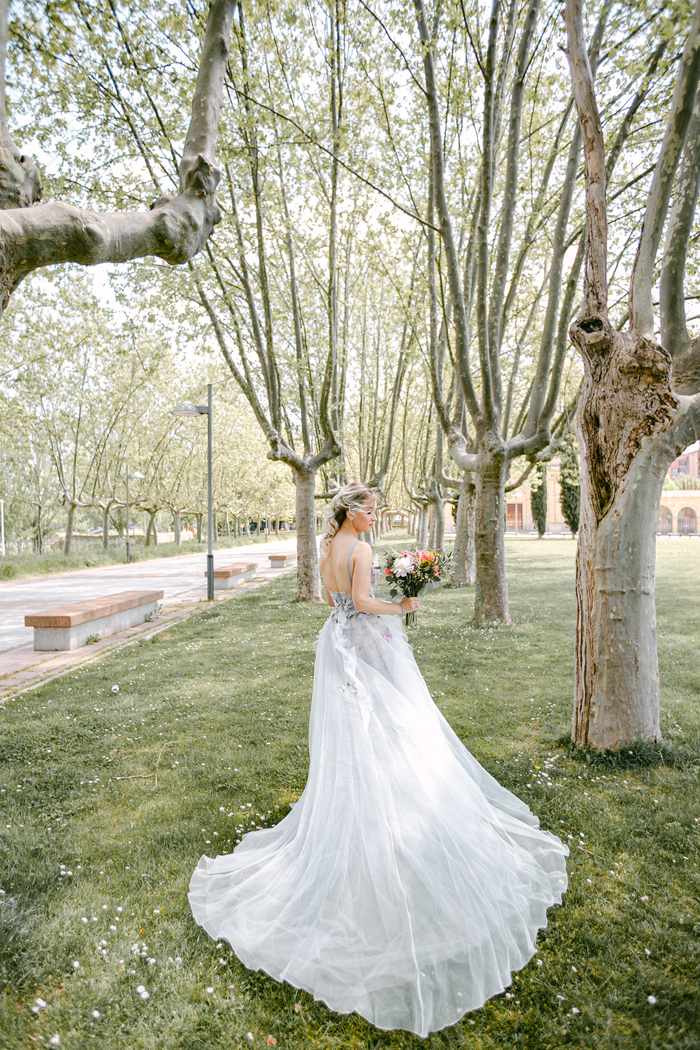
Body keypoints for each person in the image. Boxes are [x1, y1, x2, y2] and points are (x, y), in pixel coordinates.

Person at [188, 481, 568, 1037]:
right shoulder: (362, 550)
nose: (375, 519)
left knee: (353, 735)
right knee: (395, 724)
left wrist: (364, 605)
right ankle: (398, 811)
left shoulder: (325, 550)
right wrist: (405, 604)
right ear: (351, 512)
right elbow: (365, 603)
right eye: (370, 511)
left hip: (333, 642)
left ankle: (371, 803)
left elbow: (331, 602)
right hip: (364, 639)